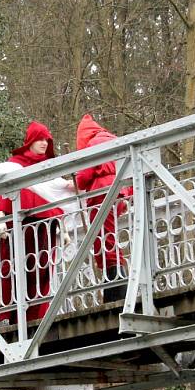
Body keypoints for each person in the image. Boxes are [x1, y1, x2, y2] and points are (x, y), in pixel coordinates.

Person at [0, 121, 69, 327]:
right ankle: (6, 315)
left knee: (41, 272)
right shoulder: (14, 164)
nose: (44, 143)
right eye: (40, 139)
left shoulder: (49, 167)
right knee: (10, 269)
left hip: (45, 228)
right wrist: (0, 219)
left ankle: (36, 316)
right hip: (18, 226)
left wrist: (63, 228)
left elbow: (55, 197)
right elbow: (3, 191)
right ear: (30, 141)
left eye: (47, 140)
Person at [75, 114, 132, 303]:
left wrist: (75, 179)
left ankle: (116, 290)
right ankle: (116, 286)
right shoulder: (116, 140)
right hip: (119, 192)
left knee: (104, 241)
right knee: (110, 238)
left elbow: (83, 178)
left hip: (101, 194)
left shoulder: (93, 145)